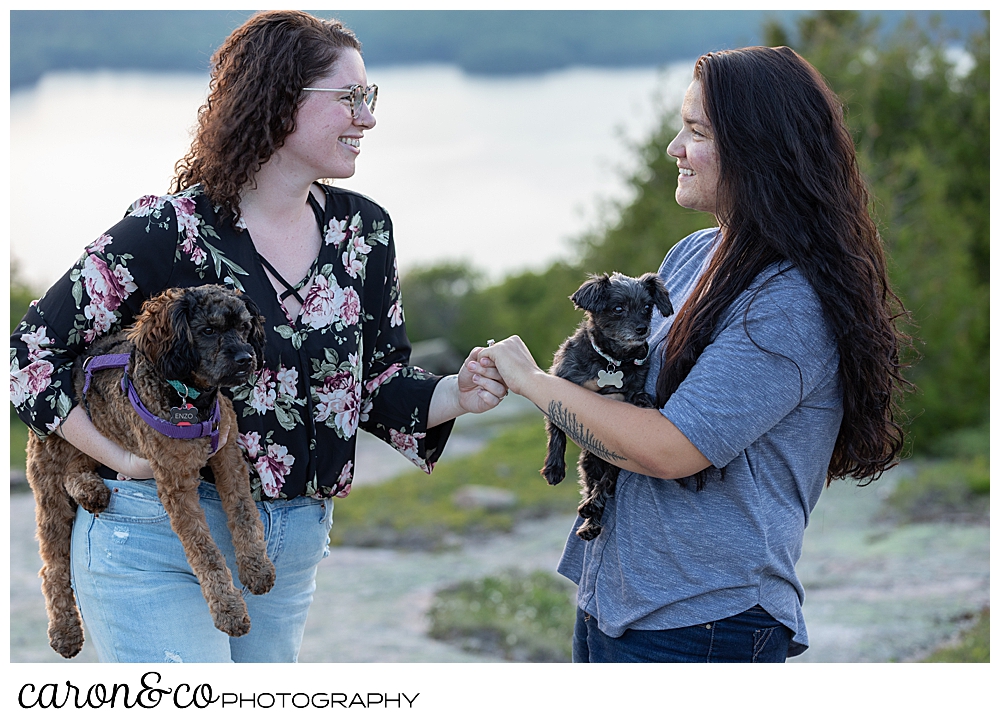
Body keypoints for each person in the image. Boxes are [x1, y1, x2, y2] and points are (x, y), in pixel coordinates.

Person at [9, 10, 507, 663]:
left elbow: (377, 386)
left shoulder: (366, 234)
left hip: (288, 549)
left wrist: (458, 393)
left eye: (371, 96)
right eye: (350, 97)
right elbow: (30, 356)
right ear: (278, 101)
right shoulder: (168, 230)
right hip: (152, 533)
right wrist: (123, 460)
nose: (369, 117)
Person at [479, 46, 909, 663]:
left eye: (697, 132)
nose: (674, 149)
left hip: (707, 618)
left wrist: (533, 381)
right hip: (621, 598)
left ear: (758, 149)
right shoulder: (695, 255)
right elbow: (626, 393)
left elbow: (670, 448)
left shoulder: (786, 302)